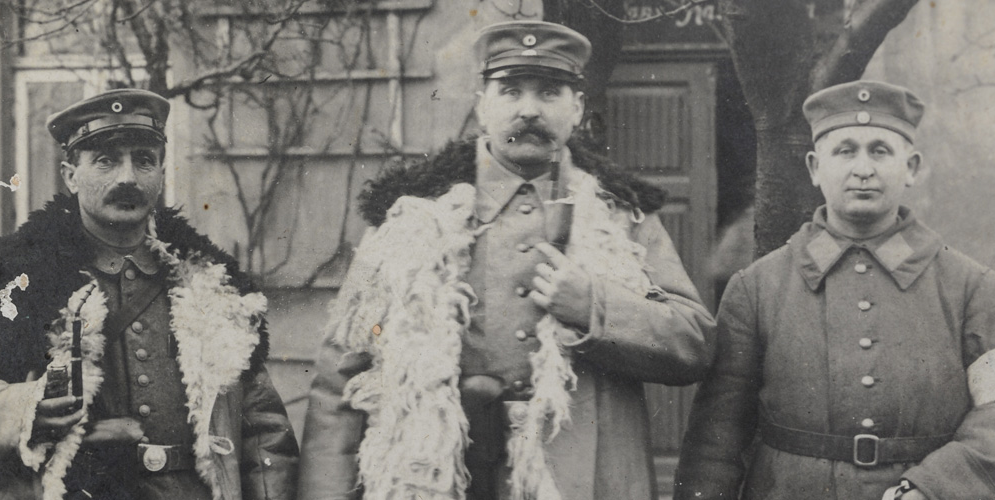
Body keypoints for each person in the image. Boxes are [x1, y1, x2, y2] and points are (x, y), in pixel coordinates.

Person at [298, 21, 716, 500]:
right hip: (439, 475)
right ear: (482, 104)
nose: (529, 110)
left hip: (582, 478)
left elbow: (693, 342)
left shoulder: (621, 216)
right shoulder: (412, 218)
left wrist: (594, 306)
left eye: (550, 92)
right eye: (511, 90)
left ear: (577, 108)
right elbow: (341, 377)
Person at [0, 89, 299, 500]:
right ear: (71, 174)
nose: (127, 177)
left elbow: (264, 432)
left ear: (161, 173)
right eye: (106, 160)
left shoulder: (211, 290)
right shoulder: (17, 283)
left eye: (143, 160)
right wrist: (25, 410)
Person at [674, 80, 995, 500]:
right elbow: (716, 441)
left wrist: (935, 488)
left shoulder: (972, 287)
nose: (863, 169)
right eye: (845, 150)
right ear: (815, 167)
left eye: (879, 150)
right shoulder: (757, 288)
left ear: (911, 167)